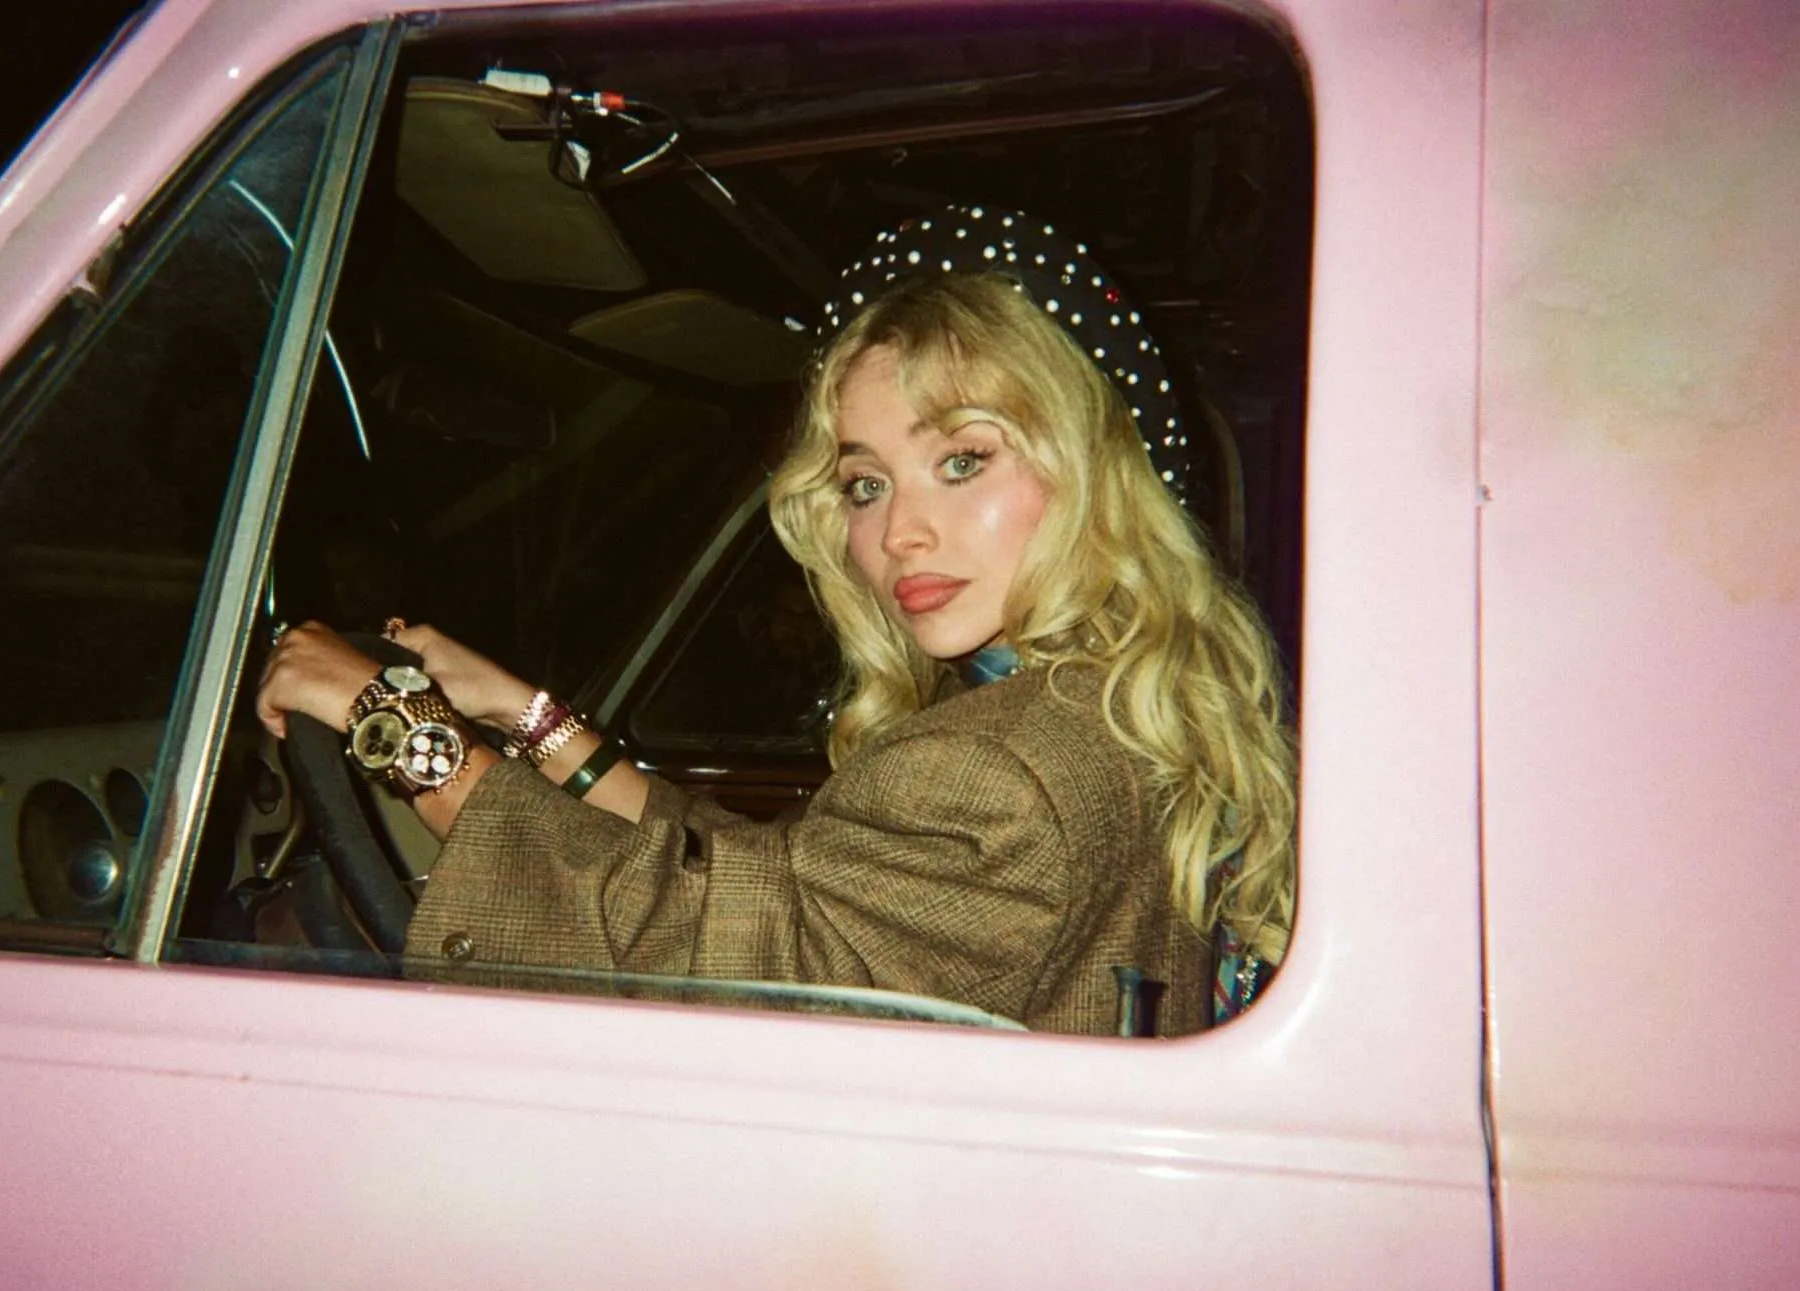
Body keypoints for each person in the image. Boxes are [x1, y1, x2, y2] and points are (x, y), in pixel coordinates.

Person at [256, 207, 1296, 1036]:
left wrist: (394, 726)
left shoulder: (1005, 767)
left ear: (1091, 472)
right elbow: (774, 896)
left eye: (962, 460)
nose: (900, 533)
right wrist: (521, 713)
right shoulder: (1103, 711)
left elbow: (729, 961)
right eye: (863, 485)